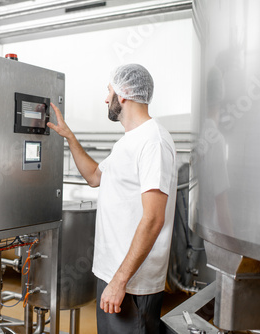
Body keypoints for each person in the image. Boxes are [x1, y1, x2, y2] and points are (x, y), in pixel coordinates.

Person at [47, 64, 177, 333]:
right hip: (114, 274)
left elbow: (153, 219)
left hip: (131, 283)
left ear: (124, 93)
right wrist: (69, 137)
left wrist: (119, 282)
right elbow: (95, 176)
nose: (106, 98)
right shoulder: (127, 142)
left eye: (109, 91)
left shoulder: (153, 141)